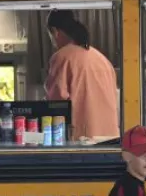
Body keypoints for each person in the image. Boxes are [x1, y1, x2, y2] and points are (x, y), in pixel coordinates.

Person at [45, 9, 118, 141]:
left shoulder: (62, 57)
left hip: (81, 140)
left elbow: (55, 104)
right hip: (111, 139)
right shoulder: (102, 60)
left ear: (55, 32)